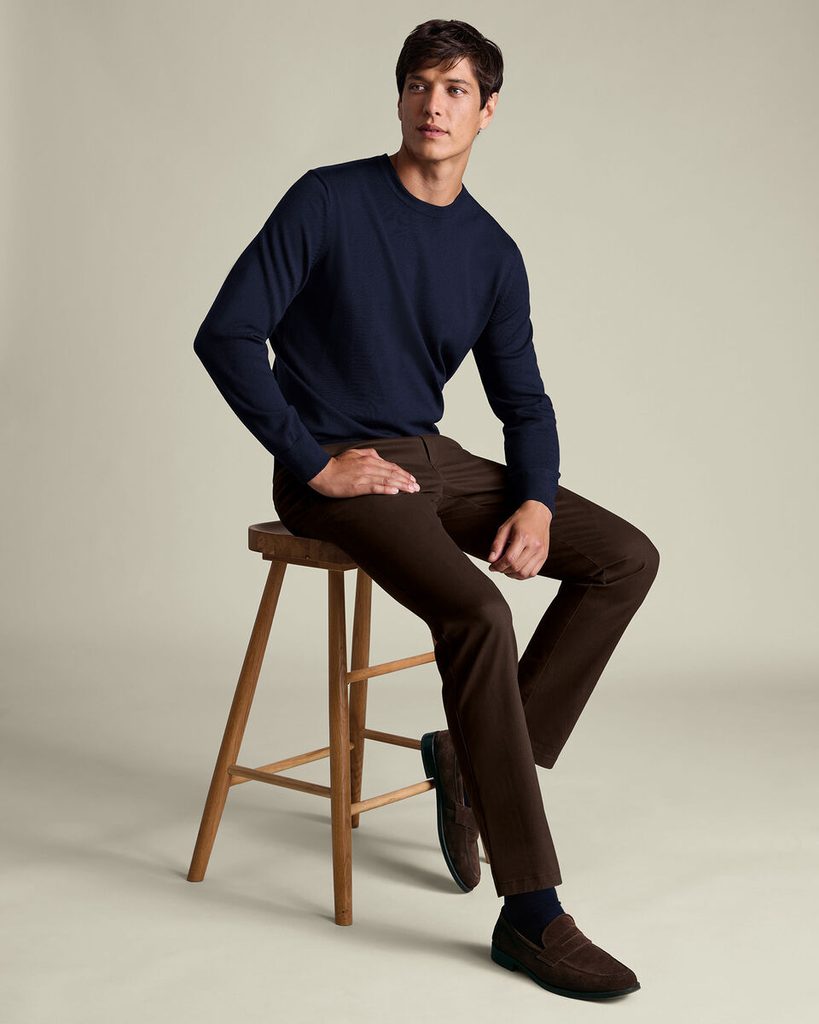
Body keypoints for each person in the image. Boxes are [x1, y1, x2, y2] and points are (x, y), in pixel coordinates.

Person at [193, 17, 659, 1001]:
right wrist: (312, 462)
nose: (432, 105)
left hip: (431, 457)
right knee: (480, 613)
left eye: (454, 90)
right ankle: (531, 912)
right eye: (418, 84)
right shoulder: (327, 200)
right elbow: (227, 334)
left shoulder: (491, 252)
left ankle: (471, 758)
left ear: (487, 112)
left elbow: (524, 401)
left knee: (625, 556)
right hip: (333, 462)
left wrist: (534, 501)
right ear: (399, 97)